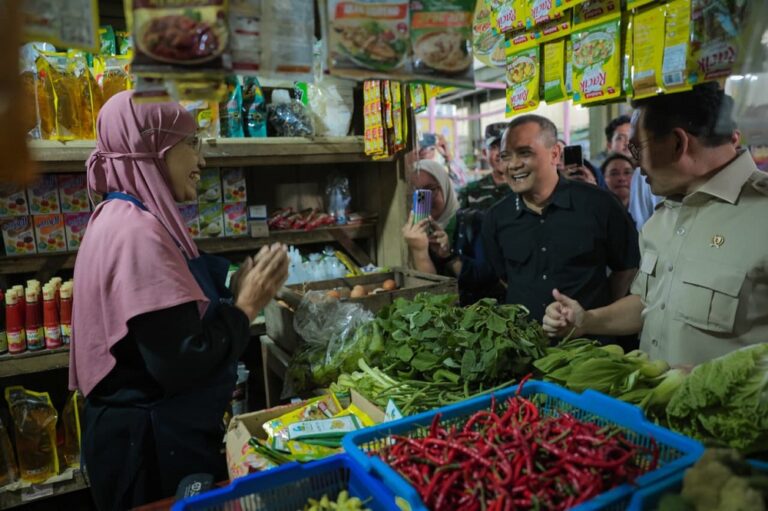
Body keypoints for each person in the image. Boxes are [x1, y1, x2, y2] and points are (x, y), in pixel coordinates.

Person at [70, 91, 289, 509]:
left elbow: (165, 323)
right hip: (150, 450)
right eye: (191, 144)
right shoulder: (138, 234)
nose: (201, 161)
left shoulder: (115, 216)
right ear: (154, 150)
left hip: (133, 440)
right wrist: (245, 306)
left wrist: (232, 289)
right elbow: (181, 363)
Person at [543, 82, 768, 367]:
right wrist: (586, 320)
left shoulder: (761, 215)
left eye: (637, 149)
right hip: (653, 408)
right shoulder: (661, 218)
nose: (635, 165)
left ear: (677, 143)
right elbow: (651, 302)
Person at [481, 114, 639, 324]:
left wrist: (596, 315)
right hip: (526, 348)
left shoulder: (599, 204)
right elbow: (505, 278)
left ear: (555, 154)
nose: (513, 165)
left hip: (590, 348)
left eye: (524, 153)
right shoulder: (496, 218)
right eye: (506, 156)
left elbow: (627, 267)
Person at [402, 159, 460, 276]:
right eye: (416, 193)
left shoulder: (466, 226)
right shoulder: (408, 231)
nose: (423, 201)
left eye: (430, 190)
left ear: (445, 187)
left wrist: (447, 255)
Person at [458, 122, 511, 209]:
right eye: (494, 147)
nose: (501, 153)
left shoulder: (529, 190)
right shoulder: (470, 192)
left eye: (506, 146)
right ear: (484, 153)